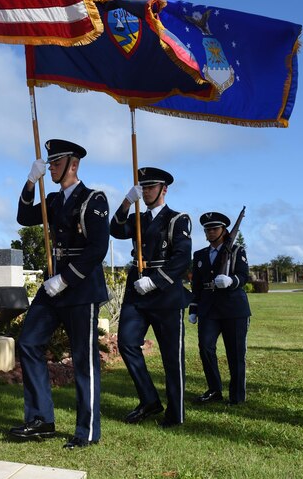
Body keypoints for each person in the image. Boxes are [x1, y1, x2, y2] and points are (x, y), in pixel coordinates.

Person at [9, 140, 109, 449]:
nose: (51, 167)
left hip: (80, 288)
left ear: (73, 165)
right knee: (28, 343)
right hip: (53, 287)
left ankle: (87, 431)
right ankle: (41, 419)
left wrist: (65, 279)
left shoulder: (94, 199)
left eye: (56, 163)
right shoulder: (51, 199)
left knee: (83, 359)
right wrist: (30, 181)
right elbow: (24, 217)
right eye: (49, 163)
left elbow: (97, 248)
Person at [110, 167, 191, 428]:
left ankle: (175, 413)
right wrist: (126, 201)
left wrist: (155, 281)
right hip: (137, 288)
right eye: (142, 188)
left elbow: (181, 258)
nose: (146, 192)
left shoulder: (178, 219)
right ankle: (149, 400)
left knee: (171, 356)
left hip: (165, 293)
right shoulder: (138, 219)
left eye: (150, 187)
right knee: (126, 343)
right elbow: (114, 229)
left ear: (163, 189)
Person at [189, 211, 251, 405]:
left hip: (234, 308)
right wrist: (193, 308)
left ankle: (237, 396)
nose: (210, 232)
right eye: (207, 229)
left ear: (224, 230)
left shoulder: (236, 250)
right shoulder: (200, 255)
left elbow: (243, 276)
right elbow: (196, 284)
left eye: (214, 228)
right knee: (205, 348)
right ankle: (214, 389)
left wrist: (231, 280)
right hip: (208, 308)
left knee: (235, 353)